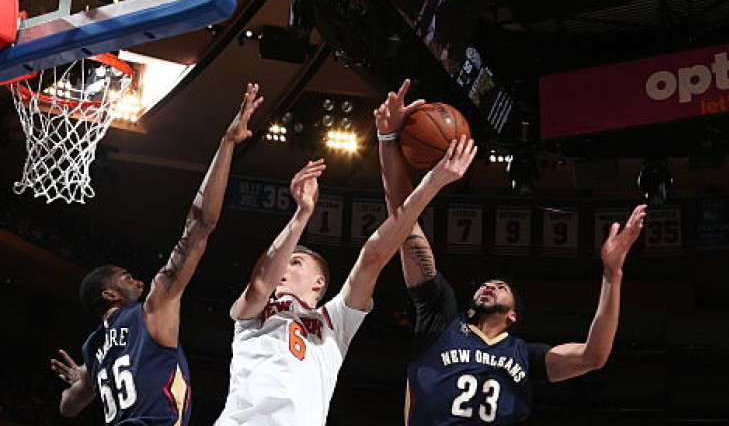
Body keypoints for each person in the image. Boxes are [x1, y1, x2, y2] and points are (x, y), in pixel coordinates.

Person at [374, 79, 648, 425]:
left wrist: (613, 275)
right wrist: (387, 140)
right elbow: (404, 224)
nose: (489, 285)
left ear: (513, 317)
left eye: (500, 286)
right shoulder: (439, 318)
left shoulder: (523, 356)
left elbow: (594, 356)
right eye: (487, 284)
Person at [214, 137, 477, 424]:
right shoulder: (251, 316)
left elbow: (372, 257)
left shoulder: (334, 323)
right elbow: (260, 285)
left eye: (296, 262)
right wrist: (302, 214)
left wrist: (432, 183)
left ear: (318, 283)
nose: (283, 267)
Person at [49, 83, 265, 425]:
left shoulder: (94, 349)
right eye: (124, 277)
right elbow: (200, 225)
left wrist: (83, 381)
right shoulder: (152, 307)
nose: (135, 278)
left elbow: (67, 407)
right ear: (109, 293)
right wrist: (227, 143)